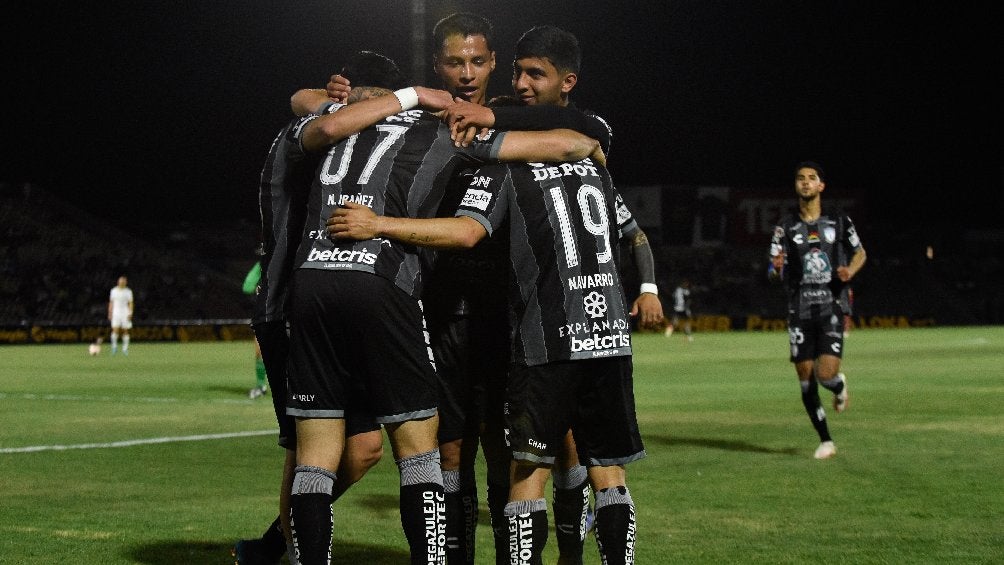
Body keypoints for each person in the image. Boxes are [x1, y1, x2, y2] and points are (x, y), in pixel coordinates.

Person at [283, 51, 603, 564]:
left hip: (311, 282)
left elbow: (302, 99)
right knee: (418, 449)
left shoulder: (332, 121)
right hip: (380, 281)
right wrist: (583, 145)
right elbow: (554, 144)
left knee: (315, 460)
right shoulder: (439, 130)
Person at [328, 149, 646, 565]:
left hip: (525, 329)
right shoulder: (588, 163)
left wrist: (377, 225)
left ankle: (569, 554)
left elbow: (466, 232)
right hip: (481, 325)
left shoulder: (512, 168)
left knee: (530, 458)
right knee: (463, 453)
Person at [233, 52, 443, 565]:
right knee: (305, 452)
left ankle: (273, 547)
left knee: (364, 449)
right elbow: (312, 110)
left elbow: (309, 101)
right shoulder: (318, 131)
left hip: (333, 294)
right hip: (287, 305)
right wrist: (409, 97)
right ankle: (272, 553)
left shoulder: (349, 127)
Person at [769, 161, 866, 460]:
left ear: (821, 186)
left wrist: (849, 270)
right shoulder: (784, 227)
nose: (806, 183)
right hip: (799, 310)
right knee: (805, 377)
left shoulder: (839, 221)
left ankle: (838, 386)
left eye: (812, 178)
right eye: (800, 178)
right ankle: (826, 440)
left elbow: (860, 253)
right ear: (796, 186)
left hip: (831, 307)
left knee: (825, 375)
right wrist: (777, 268)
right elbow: (773, 268)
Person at [242, 261, 268, 399]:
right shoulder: (262, 265)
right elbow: (247, 287)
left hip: (285, 312)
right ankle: (260, 386)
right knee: (260, 351)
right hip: (265, 314)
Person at [107, 275, 133, 355]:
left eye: (124, 281)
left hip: (125, 312)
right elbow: (111, 302)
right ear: (118, 282)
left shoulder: (128, 291)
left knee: (125, 330)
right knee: (115, 330)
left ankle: (125, 349)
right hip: (116, 312)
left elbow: (130, 303)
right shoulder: (113, 291)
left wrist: (130, 312)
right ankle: (114, 347)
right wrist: (110, 312)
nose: (122, 282)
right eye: (121, 281)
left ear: (126, 282)